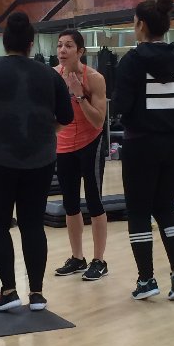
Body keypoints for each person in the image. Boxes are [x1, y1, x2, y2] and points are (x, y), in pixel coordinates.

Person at [0, 11, 73, 312]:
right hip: (40, 160)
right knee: (32, 224)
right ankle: (36, 294)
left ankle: (9, 291)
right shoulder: (50, 75)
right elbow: (66, 117)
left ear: (5, 42)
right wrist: (44, 133)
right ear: (30, 44)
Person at [112, 0, 174, 301]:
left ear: (141, 25)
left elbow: (121, 106)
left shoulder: (131, 61)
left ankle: (146, 279)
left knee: (139, 209)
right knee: (166, 206)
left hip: (141, 143)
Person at [53, 29, 109, 281]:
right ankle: (78, 258)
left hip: (90, 143)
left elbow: (98, 121)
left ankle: (99, 260)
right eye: (59, 45)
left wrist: (78, 94)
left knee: (94, 202)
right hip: (64, 145)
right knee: (70, 204)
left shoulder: (95, 78)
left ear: (80, 51)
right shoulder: (53, 76)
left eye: (68, 46)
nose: (62, 50)